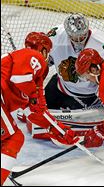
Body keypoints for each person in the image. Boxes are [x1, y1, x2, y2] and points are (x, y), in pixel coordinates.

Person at [26, 13, 104, 138]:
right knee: (32, 114)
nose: (78, 40)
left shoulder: (101, 44)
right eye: (74, 37)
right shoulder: (55, 36)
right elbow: (43, 62)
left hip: (90, 96)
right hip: (60, 87)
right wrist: (34, 85)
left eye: (82, 36)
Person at [1, 32, 79, 185]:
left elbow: (34, 112)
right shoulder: (32, 56)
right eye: (47, 52)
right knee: (13, 138)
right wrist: (34, 95)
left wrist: (56, 129)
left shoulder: (26, 72)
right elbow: (20, 78)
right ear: (43, 50)